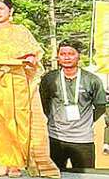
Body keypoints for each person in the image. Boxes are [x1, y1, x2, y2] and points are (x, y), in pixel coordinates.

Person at [0, 0, 59, 178]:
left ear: (10, 11)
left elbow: (33, 54)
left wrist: (30, 59)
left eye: (1, 8)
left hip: (16, 79)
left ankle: (16, 163)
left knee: (19, 119)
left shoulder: (21, 31)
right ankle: (4, 161)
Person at [39, 41, 106, 171]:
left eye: (71, 54)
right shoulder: (49, 79)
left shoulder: (92, 80)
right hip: (55, 138)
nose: (67, 57)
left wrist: (85, 122)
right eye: (63, 54)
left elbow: (100, 106)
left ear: (78, 56)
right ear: (58, 56)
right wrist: (55, 119)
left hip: (83, 140)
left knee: (86, 177)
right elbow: (44, 103)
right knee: (55, 176)